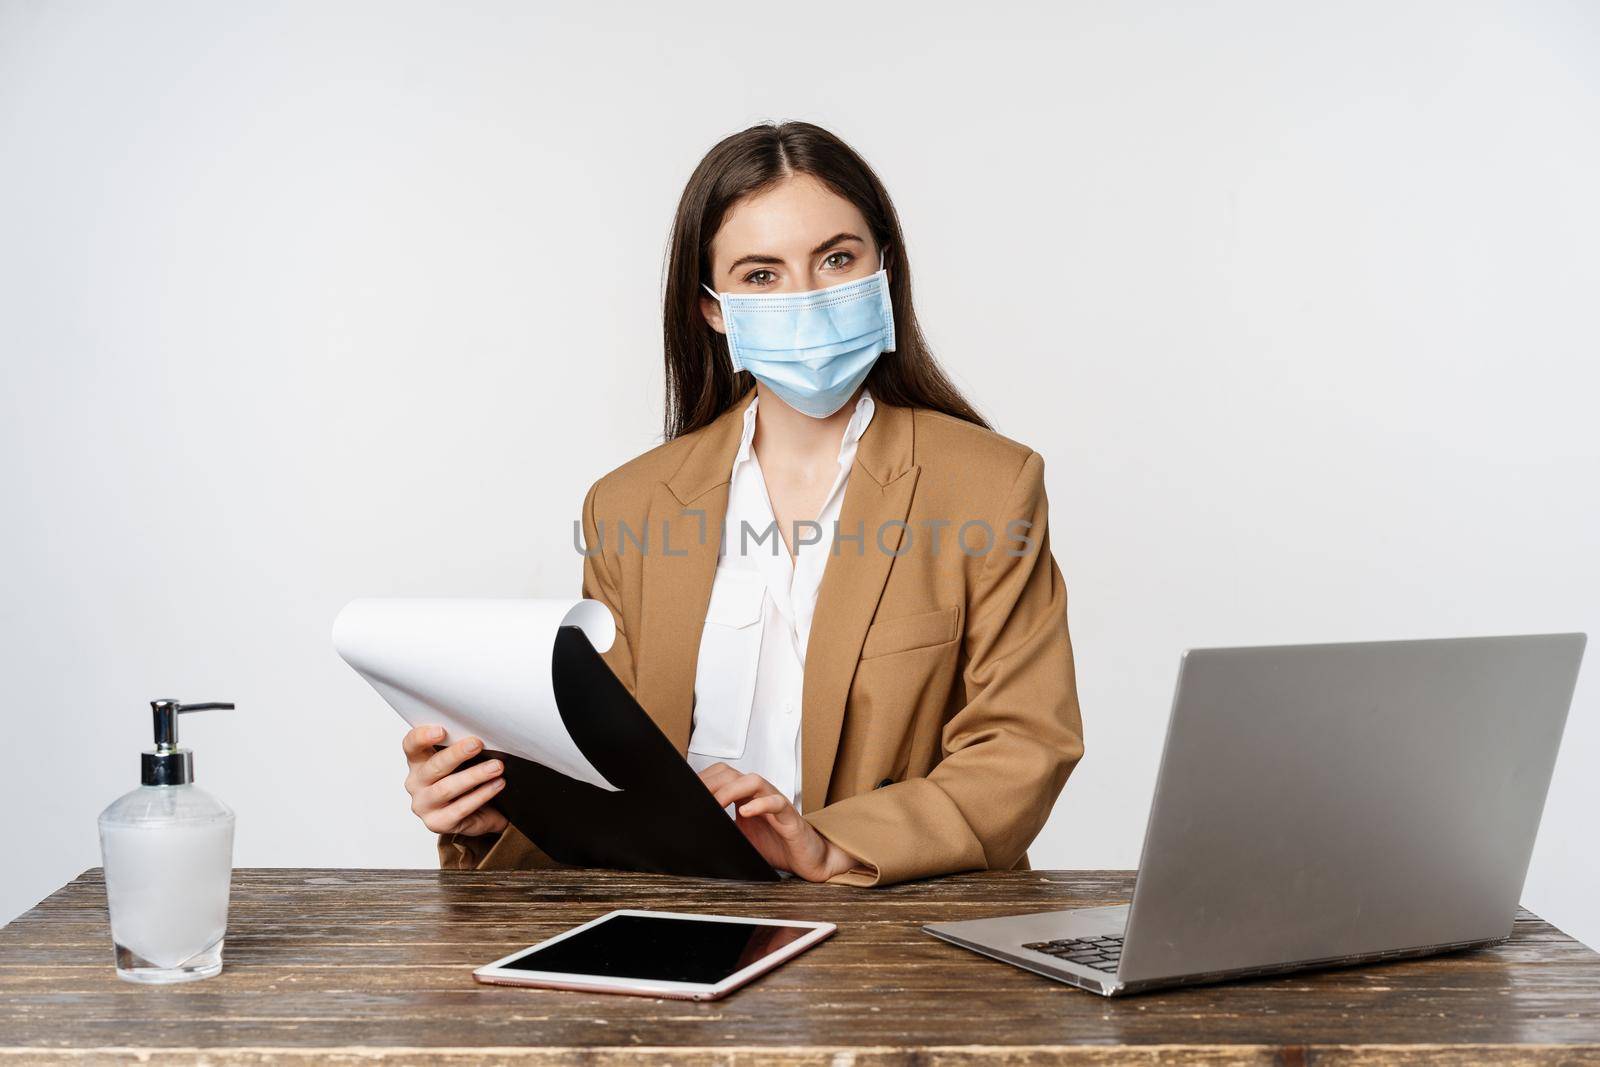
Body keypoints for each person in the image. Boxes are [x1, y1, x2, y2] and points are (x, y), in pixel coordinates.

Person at [400, 121, 1084, 887]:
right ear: (712, 307)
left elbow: (1025, 742)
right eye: (761, 275)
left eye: (836, 258)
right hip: (683, 922)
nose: (808, 297)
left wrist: (828, 845)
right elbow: (609, 765)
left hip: (896, 942)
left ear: (883, 268)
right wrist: (499, 809)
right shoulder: (627, 507)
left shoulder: (991, 485)